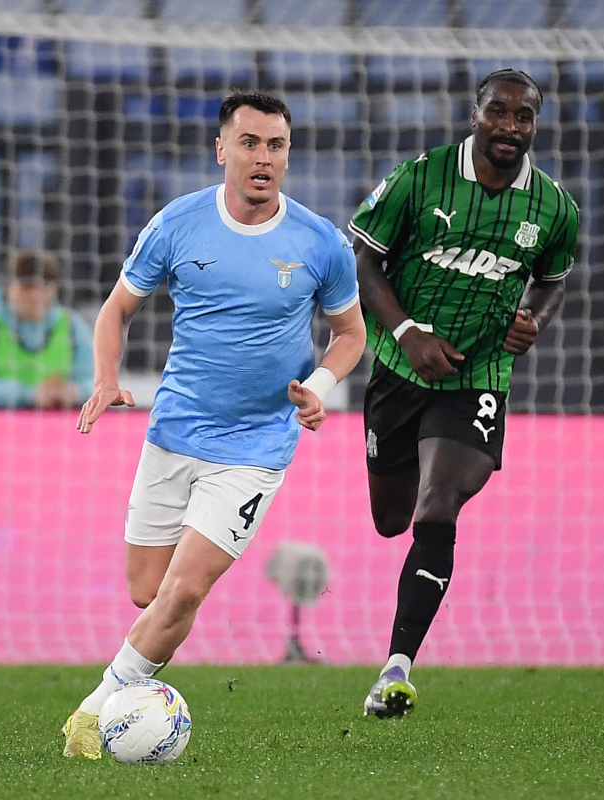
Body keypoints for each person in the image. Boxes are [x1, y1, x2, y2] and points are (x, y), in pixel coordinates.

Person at [61, 92, 366, 758]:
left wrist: (318, 387)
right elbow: (117, 310)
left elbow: (350, 333)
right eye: (251, 143)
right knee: (150, 593)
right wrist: (106, 378)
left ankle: (94, 713)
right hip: (174, 433)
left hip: (257, 447)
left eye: (276, 145)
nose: (264, 158)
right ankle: (137, 684)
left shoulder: (320, 241)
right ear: (221, 149)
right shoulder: (177, 224)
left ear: (289, 154)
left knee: (186, 587)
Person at [347, 69, 579, 718]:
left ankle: (396, 669)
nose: (510, 127)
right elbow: (363, 257)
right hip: (399, 367)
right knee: (392, 519)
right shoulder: (420, 178)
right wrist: (406, 328)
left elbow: (554, 278)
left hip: (477, 377)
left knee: (439, 502)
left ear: (537, 123)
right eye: (498, 113)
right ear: (475, 113)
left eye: (524, 116)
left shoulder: (555, 207)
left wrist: (535, 317)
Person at [0, 250, 95, 409]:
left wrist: (73, 392)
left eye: (43, 287)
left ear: (55, 290)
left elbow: (93, 383)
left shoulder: (73, 326)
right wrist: (31, 395)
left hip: (56, 426)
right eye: (26, 287)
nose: (35, 296)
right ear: (8, 287)